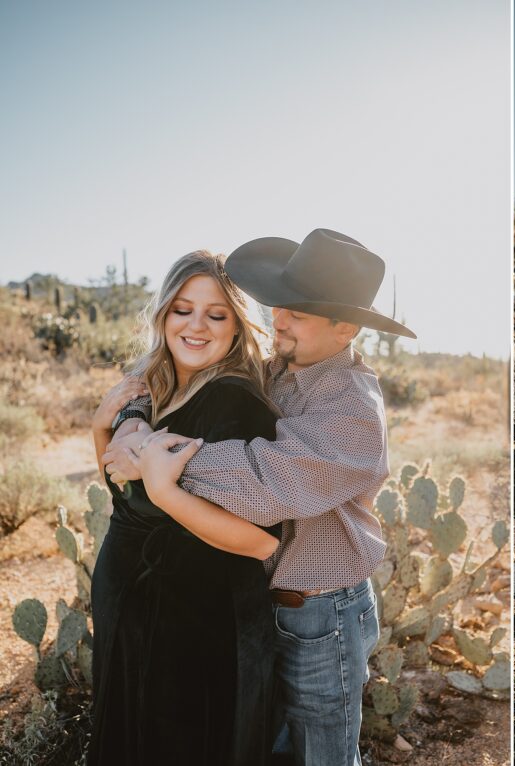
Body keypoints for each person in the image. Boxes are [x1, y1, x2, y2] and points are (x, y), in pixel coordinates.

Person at [103, 228, 416, 765]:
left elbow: (263, 481)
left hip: (322, 612)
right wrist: (134, 422)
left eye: (298, 312)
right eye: (280, 306)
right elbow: (171, 394)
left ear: (345, 326)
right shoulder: (281, 369)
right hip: (262, 603)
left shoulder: (352, 408)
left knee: (324, 755)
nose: (279, 319)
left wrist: (157, 458)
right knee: (269, 747)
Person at [88, 250, 282, 765]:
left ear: (238, 326)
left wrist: (163, 491)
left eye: (216, 315)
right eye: (182, 309)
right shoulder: (155, 389)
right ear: (163, 314)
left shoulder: (234, 403)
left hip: (193, 623)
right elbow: (123, 498)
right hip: (132, 612)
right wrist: (101, 429)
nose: (196, 326)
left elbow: (262, 538)